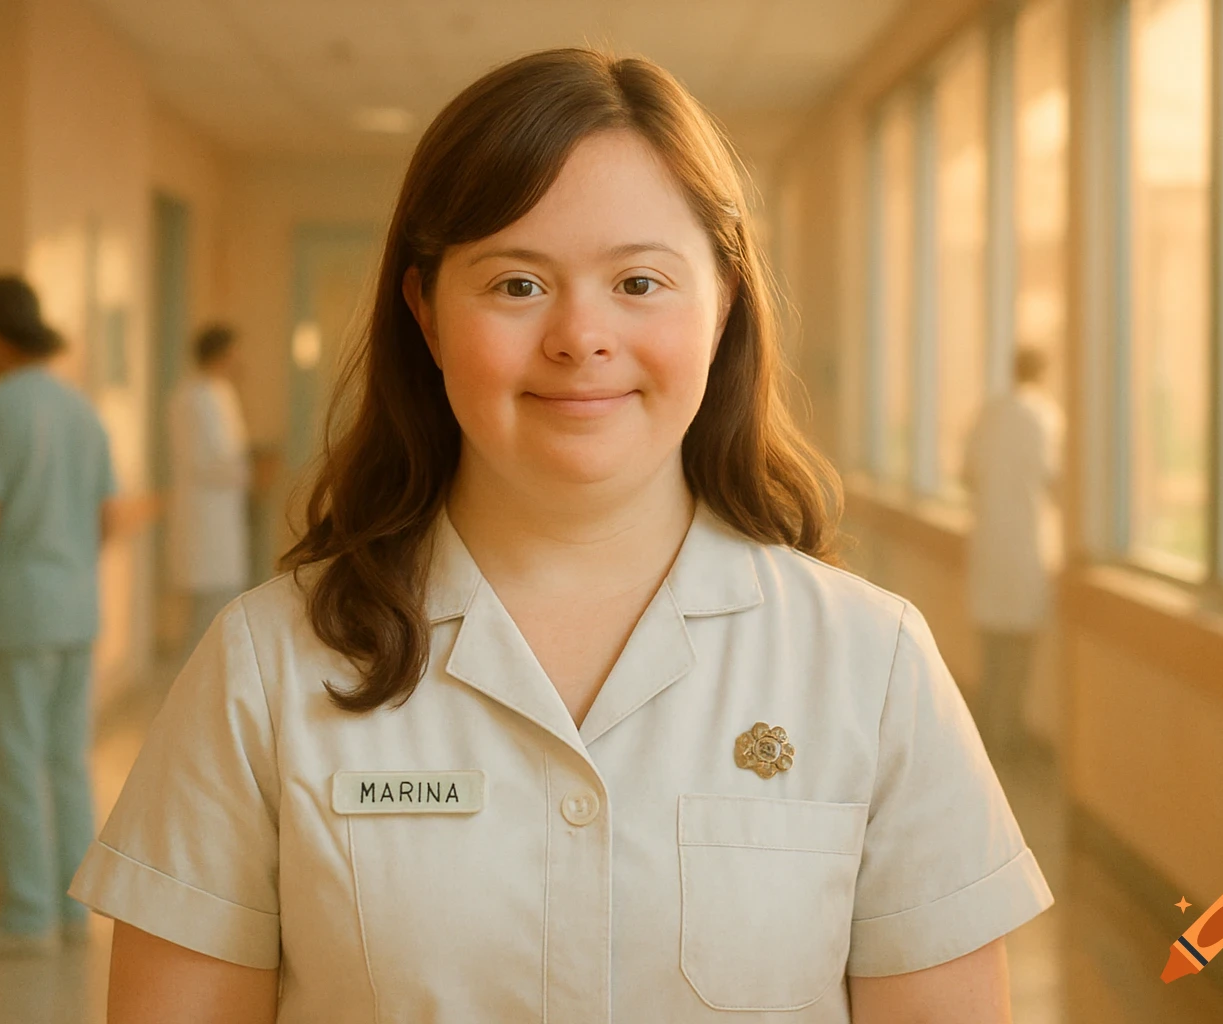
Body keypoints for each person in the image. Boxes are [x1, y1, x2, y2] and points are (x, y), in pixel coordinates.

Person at [72, 49, 1053, 1023]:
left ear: (722, 304)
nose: (580, 336)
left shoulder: (869, 665)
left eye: (639, 282)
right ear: (425, 311)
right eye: (516, 285)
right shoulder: (267, 667)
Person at [0, 274, 118, 956]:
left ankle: (26, 917)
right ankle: (71, 912)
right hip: (74, 608)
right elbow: (105, 519)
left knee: (13, 762)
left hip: (14, 615)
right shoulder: (81, 410)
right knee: (65, 760)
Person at [963, 344, 1065, 759]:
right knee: (1019, 654)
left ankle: (988, 739)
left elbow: (968, 475)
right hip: (1027, 548)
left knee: (991, 654)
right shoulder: (1046, 417)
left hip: (989, 543)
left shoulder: (989, 414)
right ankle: (1007, 741)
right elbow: (1056, 480)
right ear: (1044, 372)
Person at [166, 323, 252, 654]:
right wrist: (246, 470)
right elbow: (212, 461)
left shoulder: (214, 394)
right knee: (208, 615)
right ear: (223, 354)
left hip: (216, 515)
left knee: (217, 608)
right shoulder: (198, 398)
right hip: (206, 517)